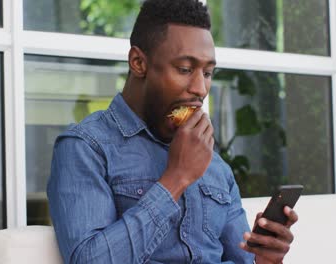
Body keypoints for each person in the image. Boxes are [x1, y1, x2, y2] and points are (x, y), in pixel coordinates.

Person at [47, 0, 298, 263]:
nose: (200, 88)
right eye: (185, 69)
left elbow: (243, 259)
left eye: (208, 72)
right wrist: (176, 179)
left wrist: (266, 259)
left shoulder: (213, 163)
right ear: (138, 62)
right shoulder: (86, 147)